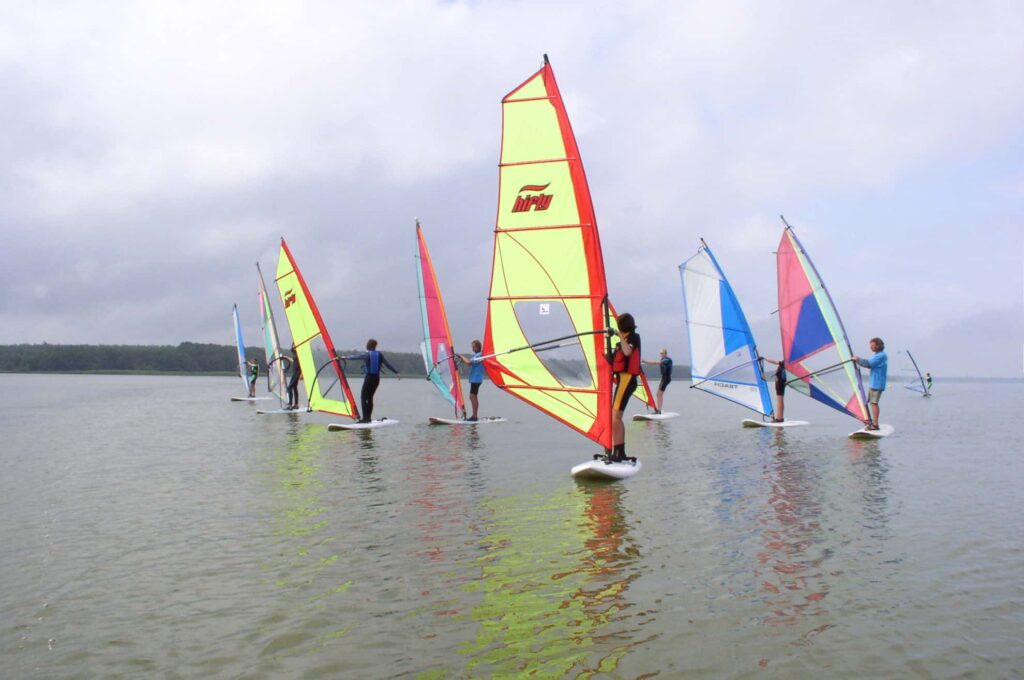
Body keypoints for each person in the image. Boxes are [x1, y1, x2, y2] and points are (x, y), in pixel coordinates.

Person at [609, 313, 641, 462]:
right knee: (615, 417)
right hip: (622, 380)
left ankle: (619, 452)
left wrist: (618, 335)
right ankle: (618, 452)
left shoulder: (634, 337)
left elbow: (628, 351)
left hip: (627, 380)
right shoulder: (622, 342)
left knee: (616, 418)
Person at [344, 339, 400, 423]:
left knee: (363, 397)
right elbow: (387, 364)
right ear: (375, 346)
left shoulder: (367, 355)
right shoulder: (379, 355)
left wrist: (344, 357)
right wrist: (396, 372)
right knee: (370, 398)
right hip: (376, 379)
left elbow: (355, 357)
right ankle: (368, 418)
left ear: (368, 346)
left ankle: (365, 419)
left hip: (369, 378)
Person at [854, 337, 888, 430]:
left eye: (872, 345)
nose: (871, 347)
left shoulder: (881, 356)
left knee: (874, 403)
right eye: (870, 345)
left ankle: (875, 425)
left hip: (877, 383)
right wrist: (859, 362)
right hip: (874, 383)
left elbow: (868, 363)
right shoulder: (877, 355)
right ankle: (873, 422)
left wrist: (857, 359)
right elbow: (868, 365)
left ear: (878, 346)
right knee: (872, 403)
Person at [459, 340, 485, 422]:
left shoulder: (479, 355)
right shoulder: (477, 355)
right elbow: (468, 362)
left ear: (477, 347)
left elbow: (468, 363)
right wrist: (461, 358)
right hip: (475, 379)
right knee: (473, 396)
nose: (472, 348)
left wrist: (460, 356)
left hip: (476, 379)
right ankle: (475, 415)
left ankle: (474, 416)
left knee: (472, 396)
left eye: (473, 347)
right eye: (472, 347)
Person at [641, 348, 672, 414]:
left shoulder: (667, 360)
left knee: (659, 394)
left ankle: (659, 411)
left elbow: (655, 362)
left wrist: (645, 362)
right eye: (660, 353)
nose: (661, 354)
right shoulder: (662, 359)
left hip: (666, 379)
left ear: (665, 353)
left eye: (662, 353)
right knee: (658, 394)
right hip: (663, 378)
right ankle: (658, 410)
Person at [760, 357, 787, 422]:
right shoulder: (784, 362)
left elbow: (776, 362)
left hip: (780, 382)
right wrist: (765, 359)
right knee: (780, 400)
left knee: (779, 400)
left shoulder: (786, 363)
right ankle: (780, 417)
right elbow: (775, 361)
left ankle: (779, 418)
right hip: (781, 381)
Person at [286, 345, 302, 410]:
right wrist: (286, 357)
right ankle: (296, 405)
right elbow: (293, 360)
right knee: (294, 388)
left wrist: (301, 374)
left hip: (297, 373)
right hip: (295, 373)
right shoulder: (296, 354)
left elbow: (302, 364)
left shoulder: (300, 354)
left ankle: (290, 405)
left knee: (289, 387)